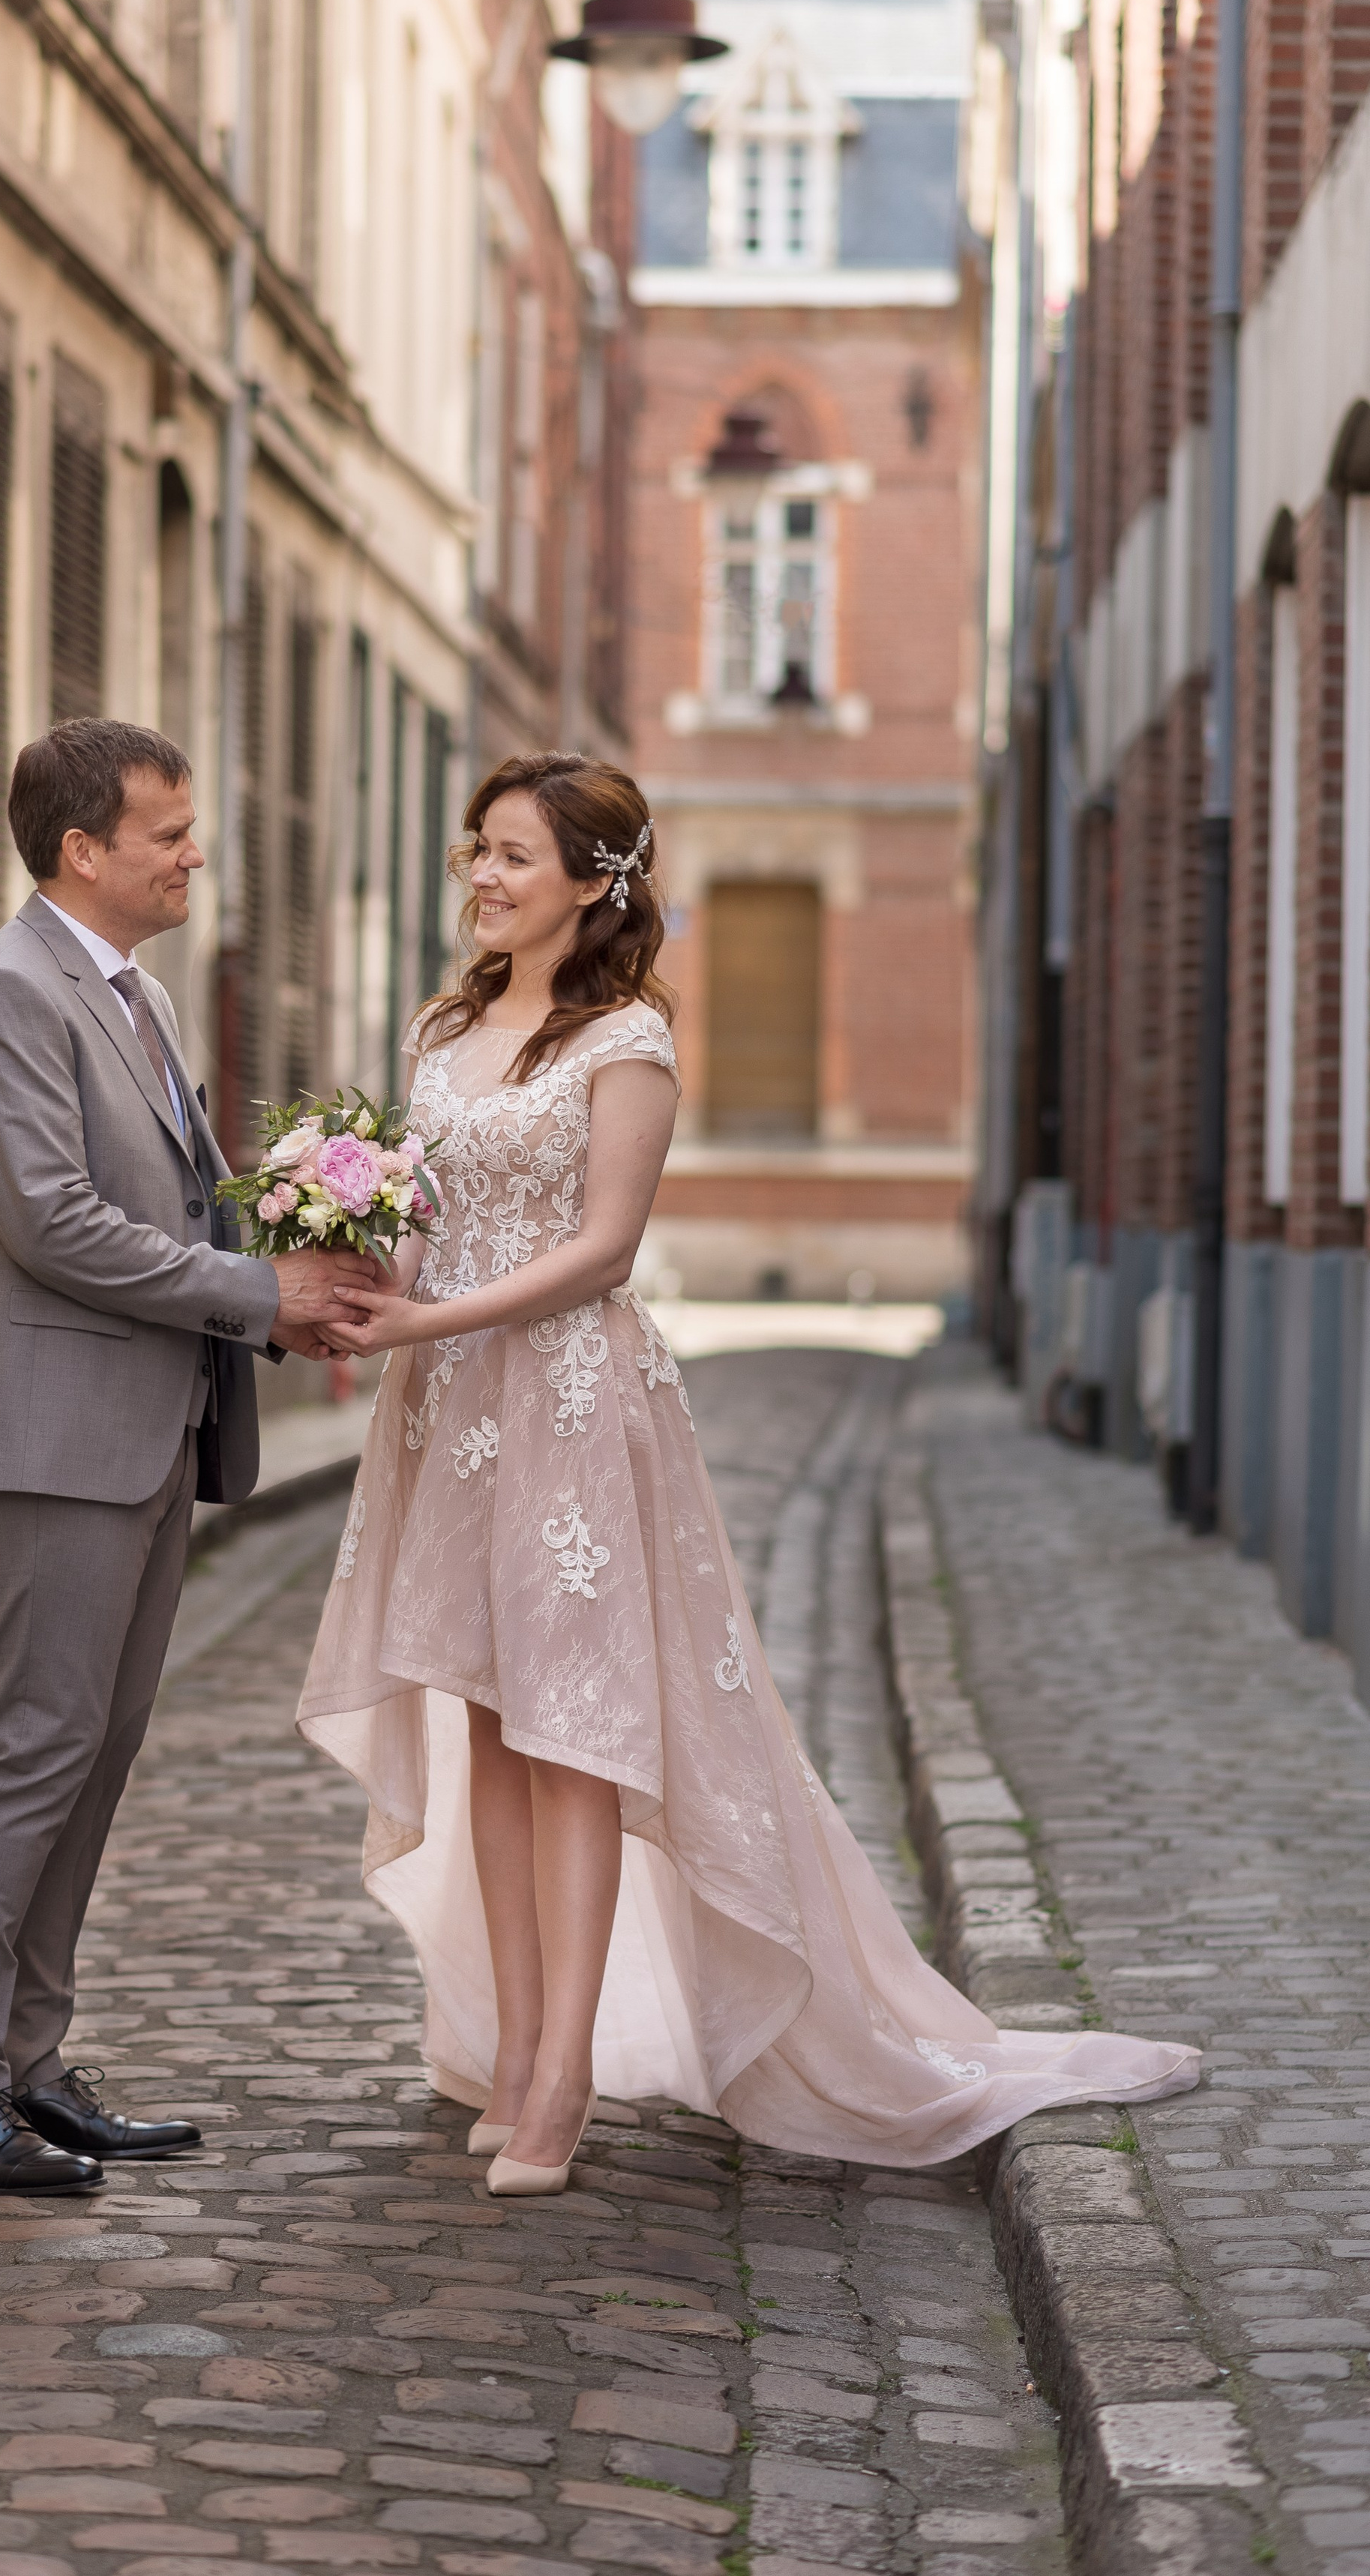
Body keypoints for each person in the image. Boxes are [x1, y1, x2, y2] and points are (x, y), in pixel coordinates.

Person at [301, 750, 1196, 2194]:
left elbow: (603, 1252)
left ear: (596, 884)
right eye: (476, 848)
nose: (480, 873)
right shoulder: (441, 1034)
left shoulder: (628, 1043)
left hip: (573, 1408)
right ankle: (513, 2043)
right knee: (484, 1729)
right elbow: (423, 1230)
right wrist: (344, 1280)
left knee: (574, 1740)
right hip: (446, 1412)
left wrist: (430, 1317)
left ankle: (561, 2085)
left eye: (513, 855)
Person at [0, 718, 384, 2195]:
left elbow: (170, 1209)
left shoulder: (129, 994)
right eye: (168, 833)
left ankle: (23, 2060)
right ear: (81, 851)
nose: (193, 856)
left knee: (93, 1752)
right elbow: (53, 1225)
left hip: (149, 1424)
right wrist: (258, 1295)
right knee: (33, 1746)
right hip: (49, 1436)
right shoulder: (4, 996)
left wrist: (300, 1283)